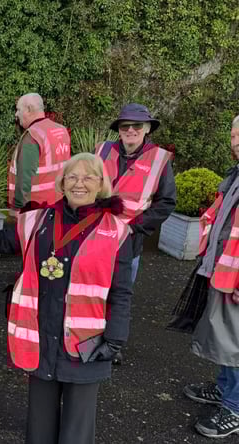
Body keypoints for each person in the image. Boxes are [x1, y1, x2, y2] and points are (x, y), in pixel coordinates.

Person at [0, 153, 133, 444]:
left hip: (87, 336)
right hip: (40, 328)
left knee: (80, 408)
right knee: (41, 400)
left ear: (101, 185)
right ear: (62, 183)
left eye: (88, 178)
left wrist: (114, 340)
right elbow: (0, 242)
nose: (79, 183)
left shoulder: (118, 231)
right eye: (72, 177)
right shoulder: (37, 220)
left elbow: (122, 292)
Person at [96, 103, 176, 364]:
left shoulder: (159, 159)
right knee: (92, 290)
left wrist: (134, 226)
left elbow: (166, 202)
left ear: (148, 129)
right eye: (124, 126)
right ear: (118, 130)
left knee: (120, 293)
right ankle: (88, 336)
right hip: (94, 237)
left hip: (130, 240)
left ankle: (113, 344)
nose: (130, 130)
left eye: (136, 126)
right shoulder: (102, 151)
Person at [175, 115, 239, 438]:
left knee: (237, 342)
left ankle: (235, 408)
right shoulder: (236, 174)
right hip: (225, 271)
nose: (236, 140)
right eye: (233, 134)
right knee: (228, 339)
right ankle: (225, 388)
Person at [7, 93, 71, 213]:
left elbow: (24, 179)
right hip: (58, 205)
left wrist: (17, 208)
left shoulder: (32, 136)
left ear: (29, 109)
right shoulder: (61, 130)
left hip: (34, 209)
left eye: (18, 110)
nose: (16, 114)